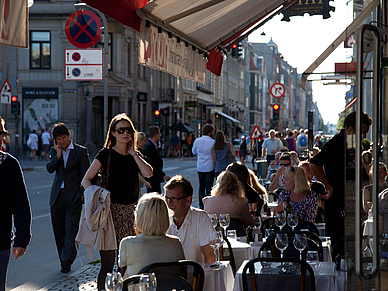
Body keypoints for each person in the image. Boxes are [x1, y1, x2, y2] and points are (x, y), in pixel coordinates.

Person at [82, 113, 153, 291]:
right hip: (109, 213)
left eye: (128, 130)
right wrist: (97, 196)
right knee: (107, 265)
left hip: (130, 214)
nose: (125, 133)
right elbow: (86, 180)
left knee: (127, 264)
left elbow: (149, 173)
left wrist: (133, 153)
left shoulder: (133, 156)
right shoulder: (105, 154)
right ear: (113, 133)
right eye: (121, 130)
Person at [311, 111, 372, 254]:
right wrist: (328, 185)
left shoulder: (353, 143)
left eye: (365, 134)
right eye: (362, 132)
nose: (364, 137)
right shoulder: (336, 143)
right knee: (339, 243)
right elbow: (314, 164)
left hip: (353, 200)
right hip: (338, 202)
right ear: (350, 128)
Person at [46, 123, 90, 273]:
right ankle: (63, 260)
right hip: (57, 197)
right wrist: (57, 156)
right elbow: (50, 169)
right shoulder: (54, 151)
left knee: (71, 229)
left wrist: (82, 193)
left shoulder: (80, 151)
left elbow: (86, 175)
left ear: (69, 136)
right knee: (59, 231)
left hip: (73, 196)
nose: (61, 141)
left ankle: (67, 259)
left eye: (63, 137)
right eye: (58, 139)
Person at [118, 193, 185, 279]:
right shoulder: (175, 243)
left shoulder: (127, 243)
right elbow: (182, 271)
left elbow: (121, 265)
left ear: (139, 217)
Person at [0, 117, 31, 291]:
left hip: (0, 242)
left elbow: (21, 205)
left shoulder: (10, 165)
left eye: (1, 133)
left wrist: (22, 239)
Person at [165, 175, 215, 264]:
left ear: (188, 200)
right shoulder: (162, 219)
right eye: (167, 198)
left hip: (196, 276)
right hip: (169, 276)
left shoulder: (201, 218)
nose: (169, 203)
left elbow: (210, 256)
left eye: (174, 199)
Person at [192, 124, 215, 209]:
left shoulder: (197, 141)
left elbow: (193, 152)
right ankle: (207, 205)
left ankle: (201, 205)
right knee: (208, 187)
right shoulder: (212, 142)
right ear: (209, 132)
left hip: (200, 166)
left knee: (201, 186)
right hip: (210, 166)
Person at [142, 126, 170, 194]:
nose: (159, 136)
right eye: (159, 134)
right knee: (154, 195)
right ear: (156, 135)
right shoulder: (150, 146)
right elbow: (153, 164)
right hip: (153, 177)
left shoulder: (151, 145)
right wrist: (164, 175)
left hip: (154, 177)